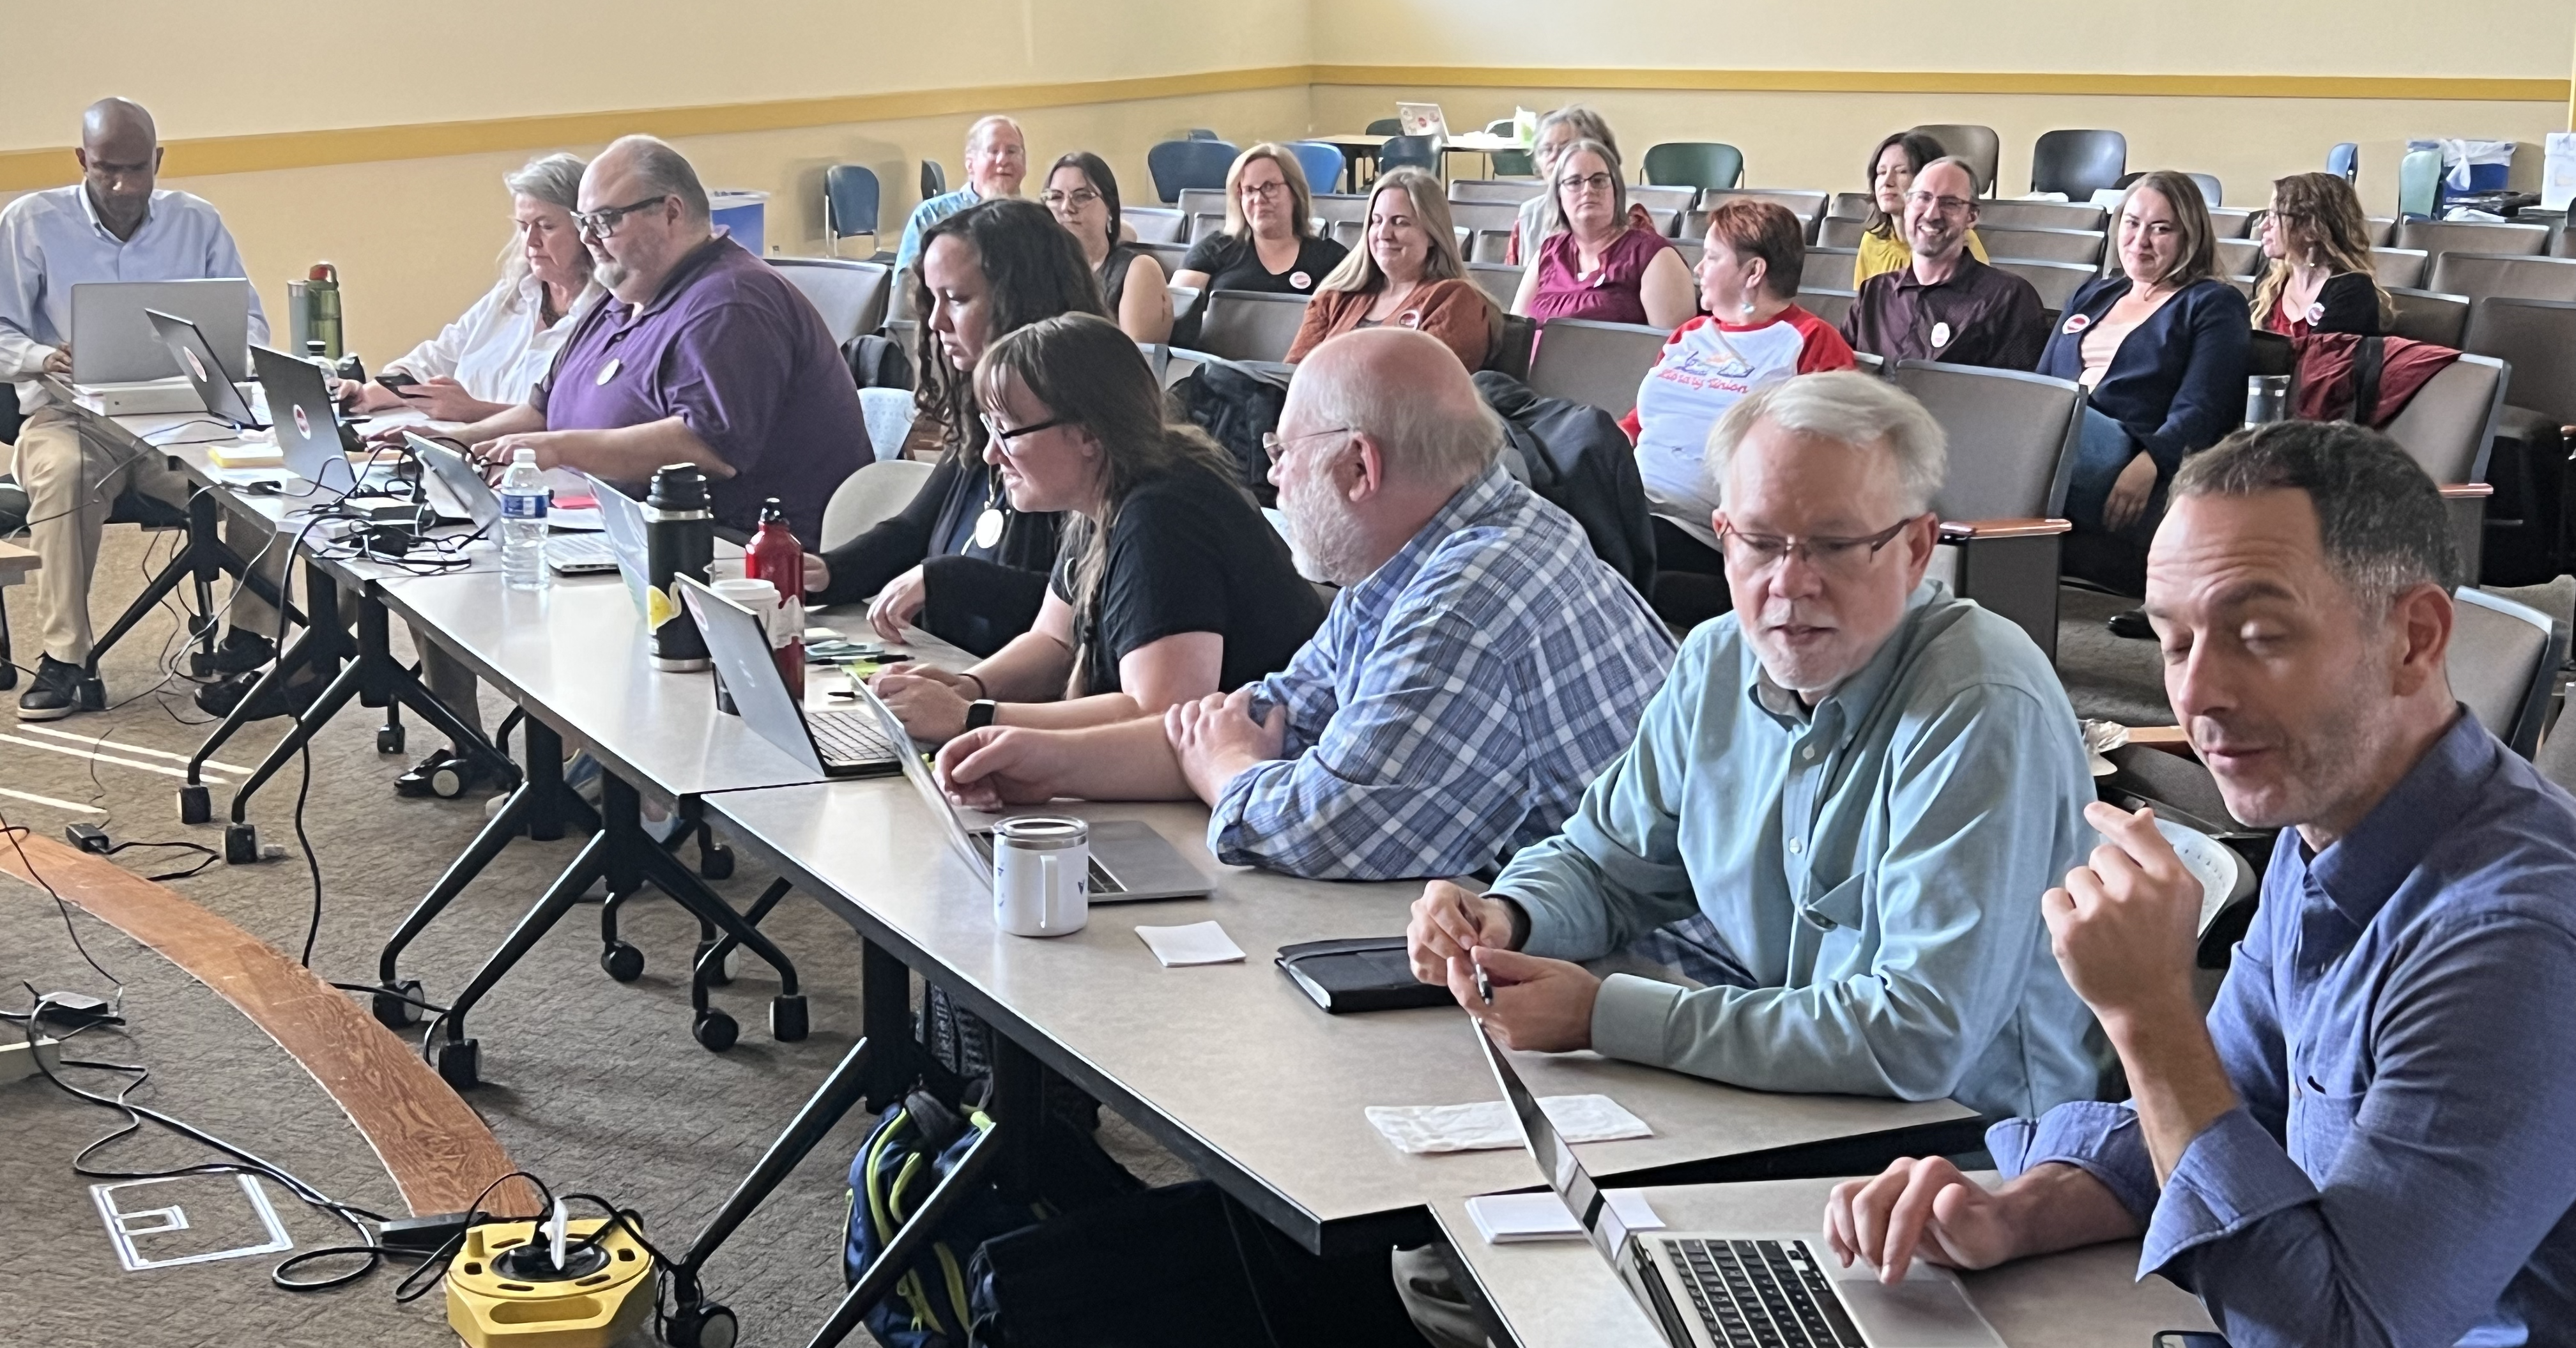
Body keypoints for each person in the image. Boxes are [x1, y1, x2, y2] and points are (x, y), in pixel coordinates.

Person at [1824, 420, 2576, 1348]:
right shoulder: (2326, 827)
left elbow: (2339, 1334)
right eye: (2175, 645)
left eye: (2259, 636)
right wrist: (2017, 1211)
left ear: (2415, 637)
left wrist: (2148, 1014)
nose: (2198, 695)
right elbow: (2216, 1120)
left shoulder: (2518, 938)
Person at [1406, 371, 2098, 1115]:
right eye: (1761, 544)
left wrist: (1604, 1015)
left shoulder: (1980, 704)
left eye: (1834, 546)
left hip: (1974, 1149)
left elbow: (1918, 1035)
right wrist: (1507, 917)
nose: (1790, 584)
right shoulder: (1717, 660)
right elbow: (1605, 865)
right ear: (1724, 538)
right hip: (1795, 1096)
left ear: (1917, 548)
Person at [932, 328, 1676, 881]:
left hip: (1647, 989)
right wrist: (1049, 761)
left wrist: (1228, 771)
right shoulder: (1441, 545)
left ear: (1359, 465)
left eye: (1283, 451)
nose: (1273, 477)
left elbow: (1328, 830)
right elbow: (1262, 718)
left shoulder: (1465, 602)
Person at [868, 313, 1323, 744]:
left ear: (1088, 435)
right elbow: (1054, 641)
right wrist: (967, 687)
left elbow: (1159, 715)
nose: (991, 454)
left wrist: (973, 718)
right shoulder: (1106, 493)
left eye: (1007, 430)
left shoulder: (1164, 517)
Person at [426, 135, 871, 544]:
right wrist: (455, 444)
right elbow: (542, 413)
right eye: (584, 222)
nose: (588, 239)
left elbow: (706, 448)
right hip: (612, 530)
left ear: (672, 212)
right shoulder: (623, 296)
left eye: (605, 221)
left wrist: (559, 448)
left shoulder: (730, 303)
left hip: (735, 552)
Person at [1, 98, 277, 721]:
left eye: (136, 170)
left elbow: (251, 322)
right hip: (71, 418)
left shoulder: (197, 222)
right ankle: (65, 658)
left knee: (268, 471)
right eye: (106, 171)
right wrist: (44, 356)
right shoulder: (30, 222)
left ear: (158, 160)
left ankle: (249, 638)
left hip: (183, 417)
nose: (123, 186)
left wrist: (224, 352)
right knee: (67, 475)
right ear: (82, 160)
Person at [345, 152, 602, 797]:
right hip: (463, 469)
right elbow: (439, 353)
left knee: (436, 558)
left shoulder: (604, 309)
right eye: (522, 226)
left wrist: (471, 413)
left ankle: (564, 768)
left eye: (545, 226)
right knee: (402, 551)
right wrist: (378, 390)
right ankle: (465, 739)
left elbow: (573, 417)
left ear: (584, 226)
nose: (531, 242)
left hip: (552, 489)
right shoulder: (515, 294)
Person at [802, 197, 1103, 655]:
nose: (937, 322)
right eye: (933, 299)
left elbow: (1080, 606)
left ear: (1019, 302)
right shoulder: (981, 416)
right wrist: (825, 574)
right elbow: (912, 532)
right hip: (953, 673)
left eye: (957, 300)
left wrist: (945, 578)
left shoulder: (1083, 436)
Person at [1623, 199, 1855, 628]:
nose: (1698, 269)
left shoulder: (1809, 342)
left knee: (1591, 557)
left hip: (1710, 536)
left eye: (1711, 257)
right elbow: (1639, 422)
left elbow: (1842, 459)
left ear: (1753, 273)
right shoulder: (1690, 334)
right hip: (1633, 503)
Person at [2037, 171, 2250, 594]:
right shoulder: (2094, 294)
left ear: (2190, 236)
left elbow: (2204, 407)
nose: (2141, 240)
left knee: (2032, 425)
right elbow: (2039, 385)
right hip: (2056, 441)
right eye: (2132, 224)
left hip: (2130, 455)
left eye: (2161, 228)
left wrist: (2151, 461)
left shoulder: (2212, 304)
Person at [1840, 157, 2047, 370]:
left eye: (1950, 203)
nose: (1932, 214)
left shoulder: (2008, 298)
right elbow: (1838, 376)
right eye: (1923, 198)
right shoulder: (1874, 293)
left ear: (1972, 216)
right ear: (1907, 206)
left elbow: (2018, 397)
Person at [1284, 169, 1496, 372]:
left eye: (1400, 223)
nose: (1384, 234)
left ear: (1433, 234)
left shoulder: (1454, 301)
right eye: (1376, 221)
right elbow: (1292, 377)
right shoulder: (1333, 297)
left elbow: (1419, 388)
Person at [1168, 144, 1347, 348]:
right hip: (1220, 372)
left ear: (1295, 192)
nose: (1259, 199)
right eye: (1249, 190)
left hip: (1300, 373)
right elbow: (1172, 318)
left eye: (1270, 187)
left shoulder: (1331, 258)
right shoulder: (1213, 250)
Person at [1506, 138, 1695, 330]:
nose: (1588, 190)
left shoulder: (1655, 256)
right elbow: (1516, 334)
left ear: (1616, 190)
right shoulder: (1548, 253)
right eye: (1574, 182)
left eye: (1599, 181)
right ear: (1558, 195)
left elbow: (1674, 352)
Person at [1040, 152, 1171, 346]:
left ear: (1110, 207)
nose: (1066, 207)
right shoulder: (1038, 270)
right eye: (1056, 197)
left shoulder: (1138, 271)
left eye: (1082, 196)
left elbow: (1136, 363)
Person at [1506, 105, 1657, 266]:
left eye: (1565, 148)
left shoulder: (1631, 215)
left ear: (1598, 152)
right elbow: (1510, 282)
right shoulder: (1528, 216)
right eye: (1547, 149)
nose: (1554, 157)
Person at [2250, 171, 2391, 338]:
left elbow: (2322, 361)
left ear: (2313, 229)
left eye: (2275, 216)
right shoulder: (2270, 280)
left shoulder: (2353, 290)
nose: (2263, 226)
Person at [1854, 132, 1989, 287]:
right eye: (1881, 172)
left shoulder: (1961, 241)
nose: (1887, 182)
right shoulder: (1870, 242)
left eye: (1902, 171)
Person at [893, 116, 1025, 275]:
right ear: (970, 164)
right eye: (993, 151)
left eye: (1012, 151)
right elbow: (905, 288)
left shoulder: (1036, 222)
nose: (1003, 160)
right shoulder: (933, 216)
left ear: (1024, 163)